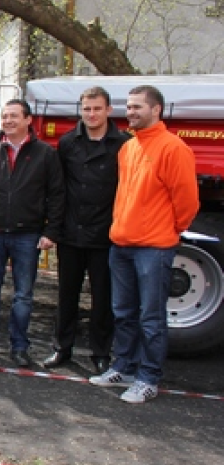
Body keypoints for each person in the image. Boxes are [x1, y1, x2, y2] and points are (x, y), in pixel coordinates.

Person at [89, 85, 199, 403]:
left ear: (156, 110)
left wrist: (169, 230)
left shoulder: (173, 149)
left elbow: (187, 203)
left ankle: (148, 378)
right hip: (121, 245)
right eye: (129, 106)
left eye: (138, 107)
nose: (131, 111)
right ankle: (123, 367)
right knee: (123, 312)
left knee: (151, 317)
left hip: (153, 248)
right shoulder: (128, 148)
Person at [0, 98, 65, 367]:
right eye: (4, 116)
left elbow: (56, 196)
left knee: (23, 296)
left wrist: (50, 232)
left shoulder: (45, 154)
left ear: (28, 120)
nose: (7, 121)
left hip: (28, 235)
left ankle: (20, 347)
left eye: (13, 116)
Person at [44, 87, 130, 373]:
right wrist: (54, 229)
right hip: (71, 233)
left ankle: (100, 353)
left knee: (102, 298)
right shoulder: (68, 143)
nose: (91, 114)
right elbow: (58, 190)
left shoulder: (125, 144)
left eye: (96, 109)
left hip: (105, 234)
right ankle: (61, 348)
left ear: (108, 110)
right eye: (86, 109)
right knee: (66, 295)